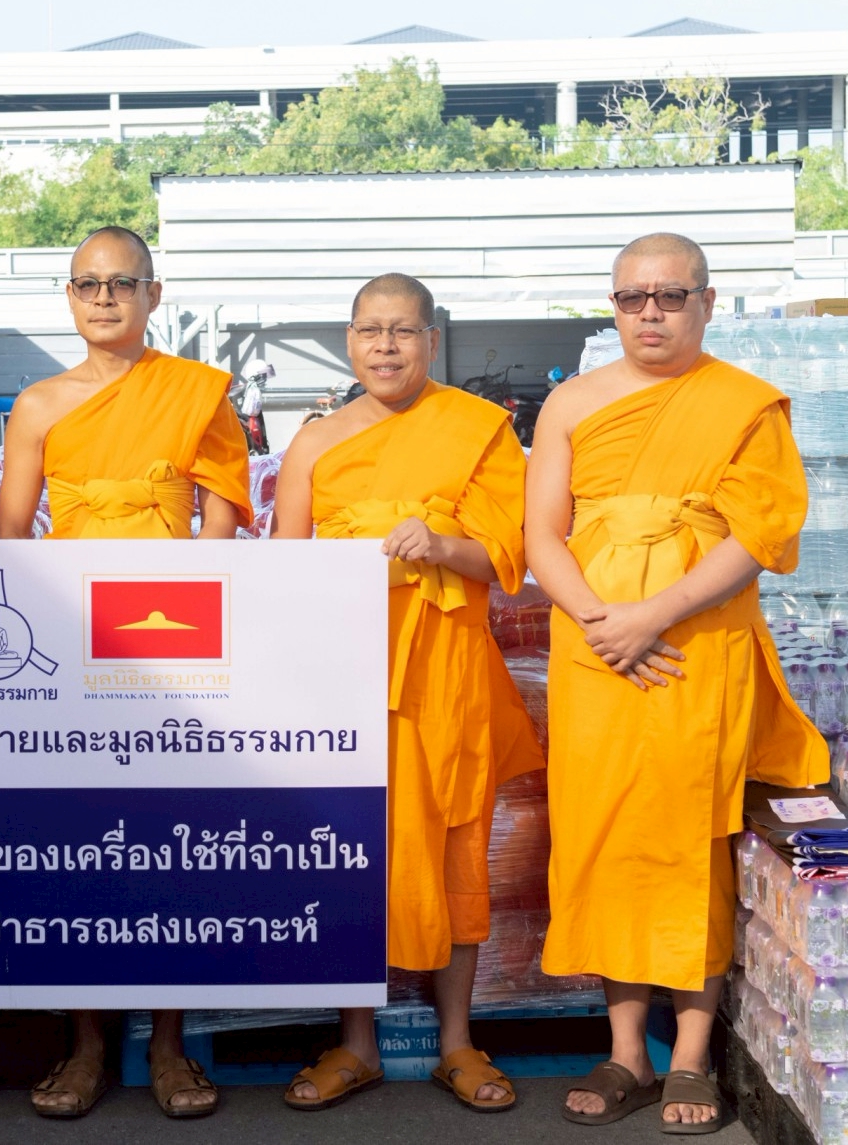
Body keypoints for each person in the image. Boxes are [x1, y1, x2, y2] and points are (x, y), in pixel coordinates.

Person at [525, 234, 829, 1133]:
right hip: (594, 650)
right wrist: (601, 621)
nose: (649, 313)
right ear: (612, 307)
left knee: (690, 837)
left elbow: (759, 534)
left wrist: (652, 616)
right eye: (631, 298)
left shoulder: (743, 404)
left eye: (668, 296)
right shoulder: (571, 403)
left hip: (697, 644)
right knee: (608, 836)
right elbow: (542, 536)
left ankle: (690, 1056)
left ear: (705, 300)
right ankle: (626, 1054)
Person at [0, 225, 252, 1120]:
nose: (104, 298)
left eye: (121, 283)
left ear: (152, 293)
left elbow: (223, 515)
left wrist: (184, 595)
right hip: (67, 636)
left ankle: (171, 1045)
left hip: (170, 632)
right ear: (69, 297)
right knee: (76, 841)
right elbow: (12, 536)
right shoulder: (35, 404)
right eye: (87, 284)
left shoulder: (195, 392)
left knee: (170, 840)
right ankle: (87, 1045)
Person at [271, 273, 540, 1114]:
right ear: (349, 341)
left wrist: (440, 543)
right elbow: (285, 565)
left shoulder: (477, 428)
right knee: (352, 848)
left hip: (448, 666)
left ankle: (456, 1041)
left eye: (404, 331)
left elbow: (508, 554)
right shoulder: (315, 440)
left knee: (459, 846)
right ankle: (356, 1043)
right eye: (370, 330)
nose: (386, 345)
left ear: (432, 340)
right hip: (345, 664)